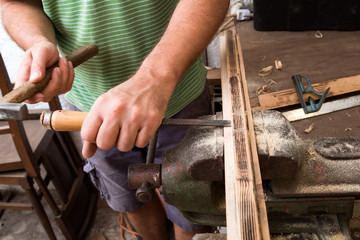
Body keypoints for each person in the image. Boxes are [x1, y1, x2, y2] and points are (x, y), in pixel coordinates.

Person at [0, 1, 229, 239]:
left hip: (181, 97)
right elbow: (16, 3)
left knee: (192, 203)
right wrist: (38, 41)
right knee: (128, 197)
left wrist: (156, 77)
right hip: (89, 111)